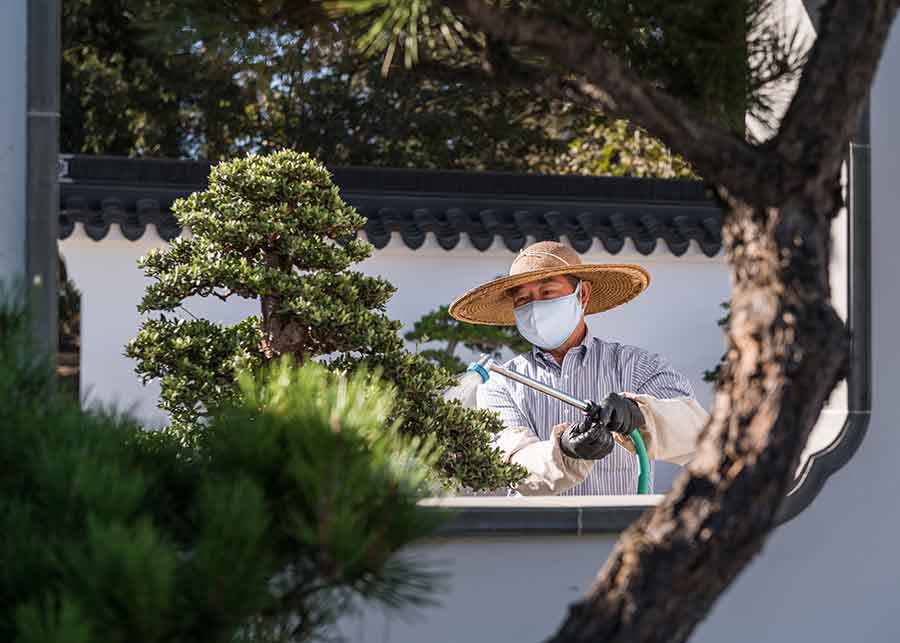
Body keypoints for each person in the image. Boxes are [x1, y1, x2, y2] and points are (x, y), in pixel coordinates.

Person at [448, 241, 709, 495]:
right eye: (523, 300)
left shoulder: (637, 366)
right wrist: (564, 451)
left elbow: (696, 431)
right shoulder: (501, 383)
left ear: (582, 294)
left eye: (547, 292)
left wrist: (640, 414)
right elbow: (514, 466)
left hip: (621, 531)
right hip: (536, 536)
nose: (535, 307)